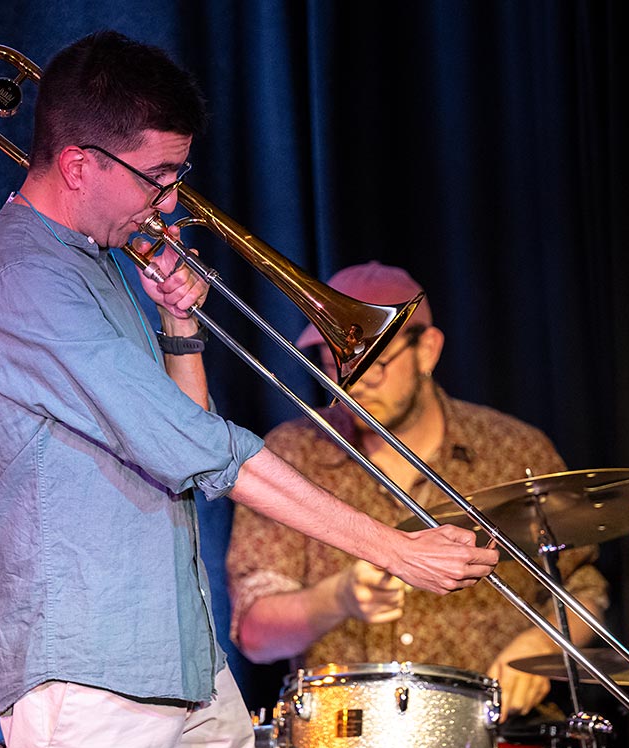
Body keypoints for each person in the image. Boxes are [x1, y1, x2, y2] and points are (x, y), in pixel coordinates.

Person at [0, 32, 496, 748]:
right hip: (92, 673)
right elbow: (201, 447)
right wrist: (394, 549)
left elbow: (182, 430)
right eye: (157, 176)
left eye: (178, 174)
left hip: (184, 659)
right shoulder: (20, 279)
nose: (170, 202)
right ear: (77, 164)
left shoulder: (96, 262)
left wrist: (179, 328)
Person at [227, 261, 609, 719]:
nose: (353, 380)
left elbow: (584, 589)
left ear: (426, 350)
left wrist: (540, 645)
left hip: (497, 742)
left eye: (374, 362)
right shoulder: (292, 453)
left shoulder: (514, 450)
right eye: (335, 363)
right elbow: (254, 635)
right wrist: (336, 598)